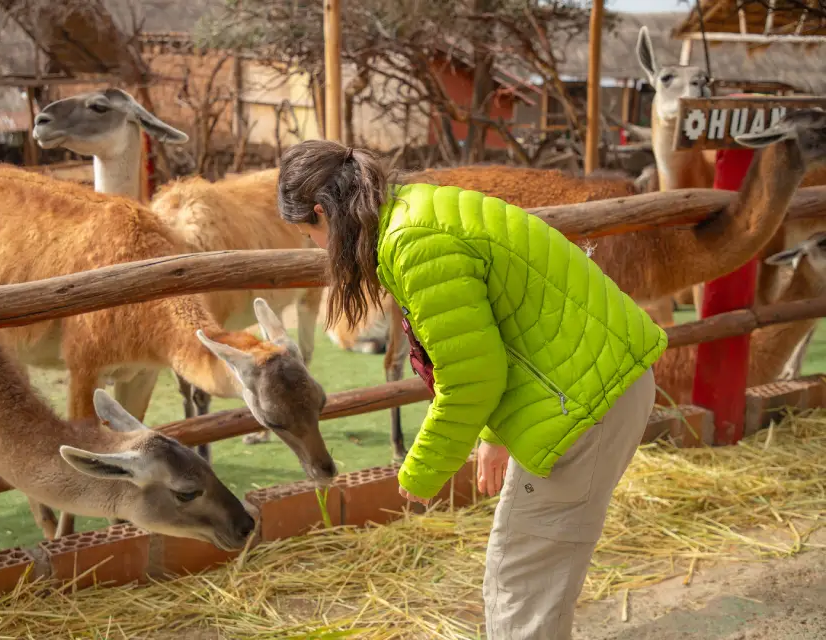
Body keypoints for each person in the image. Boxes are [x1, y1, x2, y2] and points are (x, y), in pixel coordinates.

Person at [276, 139, 668, 640]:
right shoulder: (416, 208)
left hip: (584, 400)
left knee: (521, 583)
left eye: (310, 234)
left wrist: (421, 471)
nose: (316, 247)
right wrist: (494, 432)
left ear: (321, 212)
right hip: (588, 382)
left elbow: (471, 377)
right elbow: (493, 334)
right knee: (526, 572)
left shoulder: (412, 241)